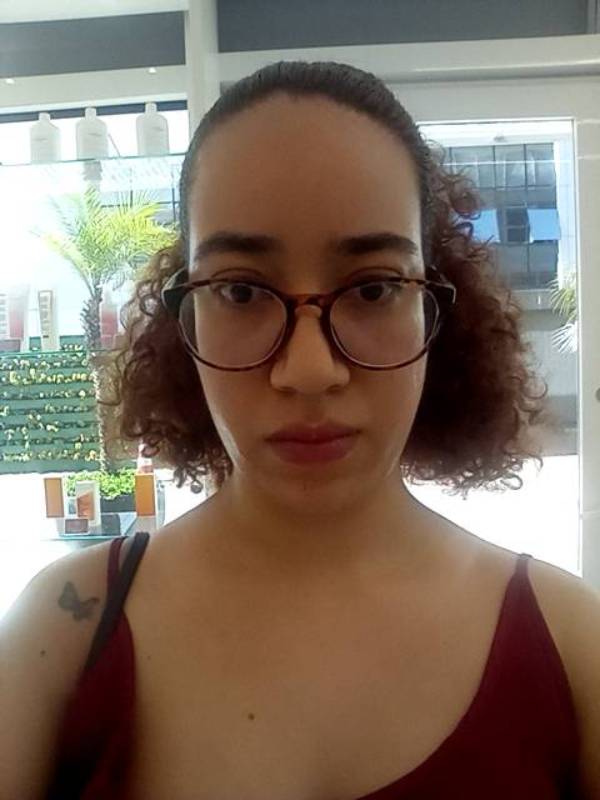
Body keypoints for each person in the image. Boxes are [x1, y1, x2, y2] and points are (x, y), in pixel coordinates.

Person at [1, 60, 599, 800]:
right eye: (241, 290)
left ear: (436, 310)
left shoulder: (572, 645)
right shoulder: (62, 633)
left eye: (373, 288)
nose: (309, 371)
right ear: (183, 315)